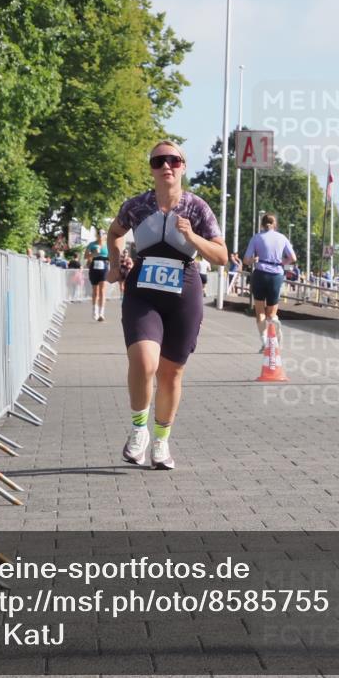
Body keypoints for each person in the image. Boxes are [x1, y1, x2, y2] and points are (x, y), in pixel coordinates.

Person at [107, 141, 226, 470]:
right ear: (152, 168)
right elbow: (115, 232)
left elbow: (222, 256)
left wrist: (193, 238)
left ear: (183, 166)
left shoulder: (197, 208)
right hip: (142, 289)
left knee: (171, 373)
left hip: (183, 291)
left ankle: (161, 441)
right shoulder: (137, 205)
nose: (166, 166)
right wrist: (115, 264)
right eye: (159, 161)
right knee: (144, 362)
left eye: (173, 160)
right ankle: (138, 431)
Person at [243, 213, 296, 351]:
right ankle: (275, 323)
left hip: (260, 274)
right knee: (271, 313)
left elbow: (246, 259)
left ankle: (264, 342)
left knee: (260, 311)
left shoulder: (256, 238)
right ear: (275, 224)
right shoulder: (282, 238)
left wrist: (253, 260)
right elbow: (293, 257)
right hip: (276, 275)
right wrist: (282, 262)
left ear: (262, 224)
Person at [86, 229, 110, 321]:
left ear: (105, 235)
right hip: (94, 267)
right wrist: (93, 253)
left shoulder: (107, 245)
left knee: (103, 291)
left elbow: (112, 257)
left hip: (104, 267)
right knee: (95, 291)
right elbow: (86, 256)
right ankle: (94, 311)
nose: (100, 235)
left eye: (102, 233)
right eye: (99, 233)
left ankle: (101, 313)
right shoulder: (92, 244)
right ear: (96, 235)